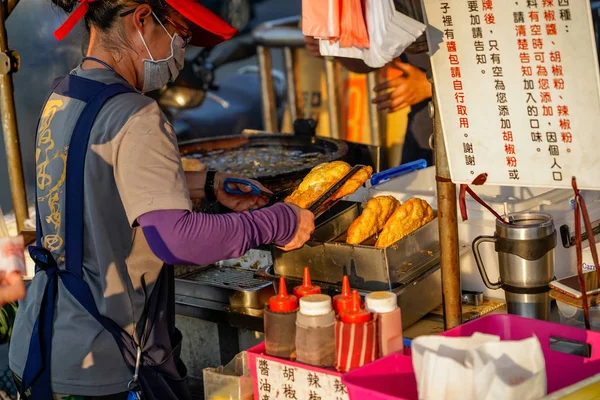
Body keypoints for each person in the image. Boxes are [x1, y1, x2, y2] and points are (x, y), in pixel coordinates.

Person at [9, 1, 314, 399]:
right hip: (105, 364)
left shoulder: (65, 94)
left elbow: (95, 182)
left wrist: (206, 184)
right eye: (182, 36)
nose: (182, 55)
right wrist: (280, 221)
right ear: (140, 19)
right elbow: (177, 240)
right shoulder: (136, 114)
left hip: (41, 347)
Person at [305, 37, 434, 166]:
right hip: (422, 134)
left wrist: (429, 86)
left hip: (452, 134)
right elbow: (370, 59)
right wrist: (336, 49)